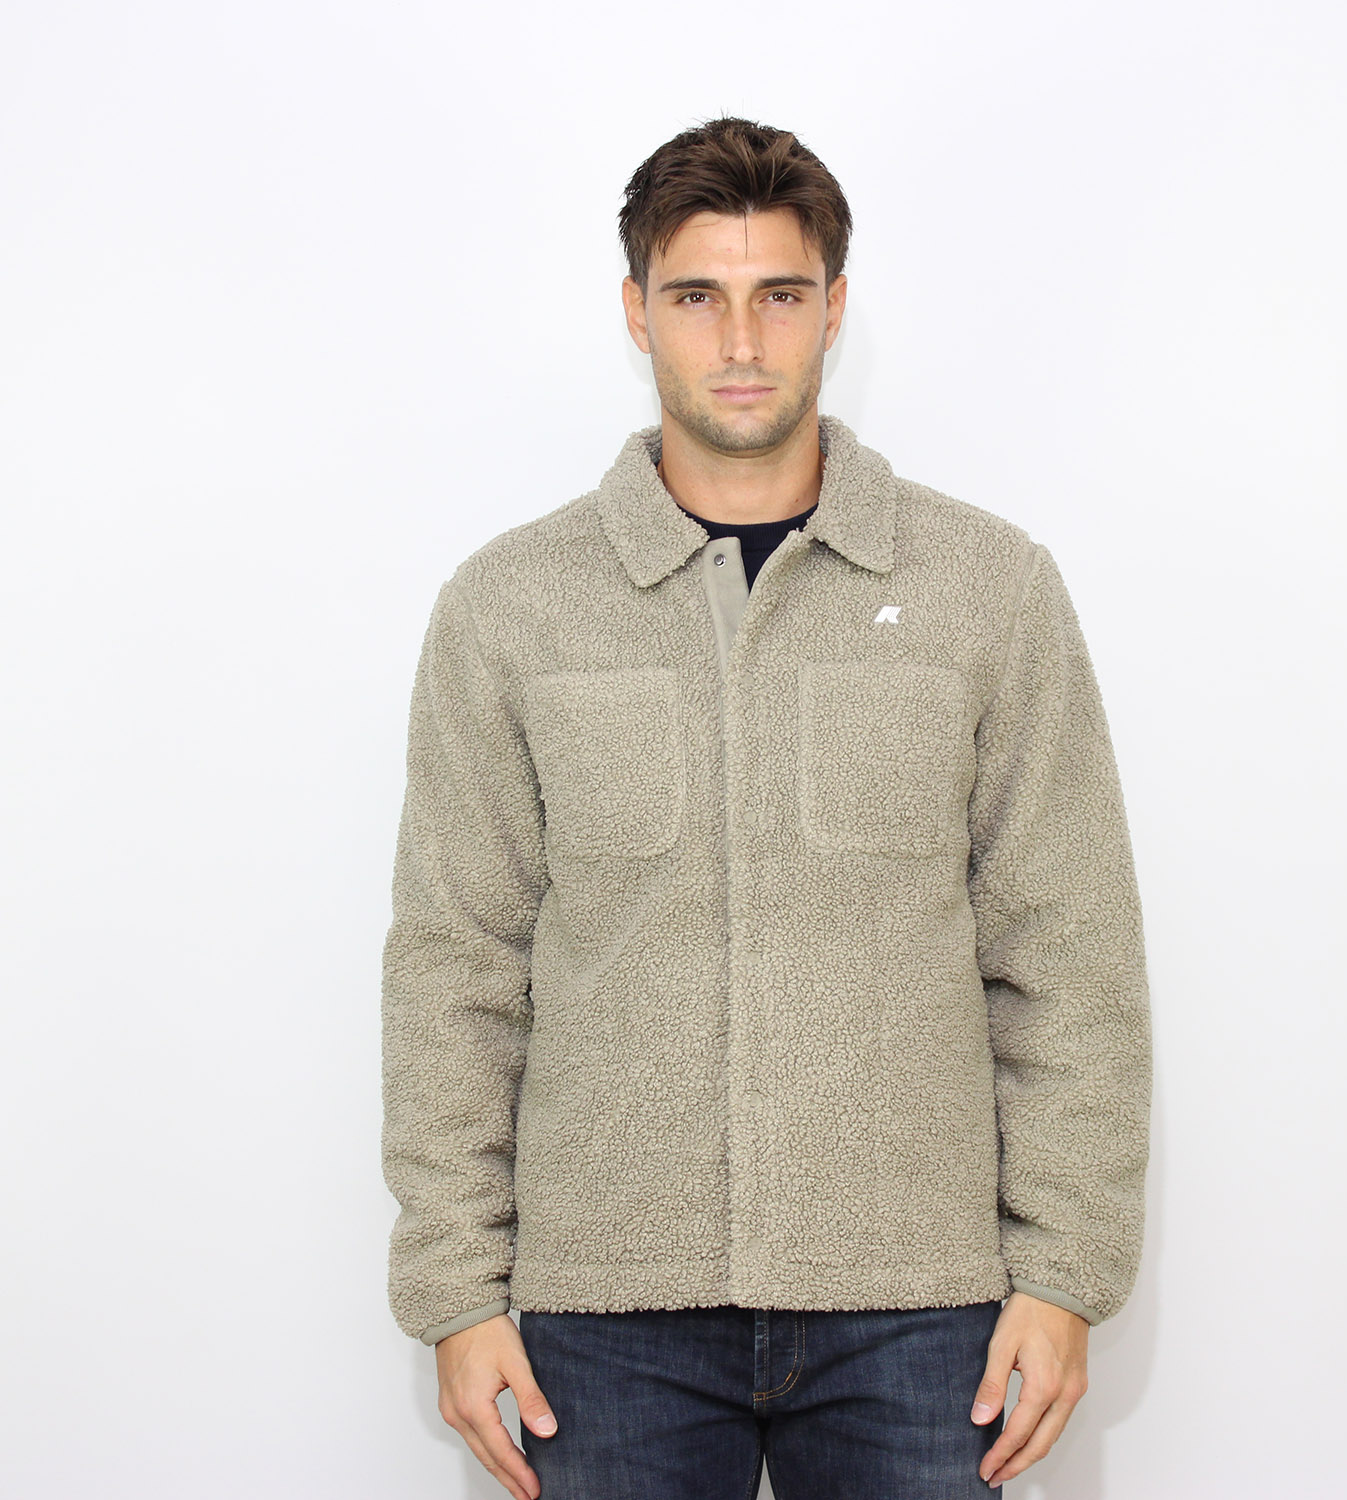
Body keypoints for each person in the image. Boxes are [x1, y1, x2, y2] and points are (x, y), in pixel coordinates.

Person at [380, 115, 1153, 1500]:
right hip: (601, 1318)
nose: (740, 340)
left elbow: (1069, 952)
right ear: (637, 313)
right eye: (697, 297)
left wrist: (1064, 1270)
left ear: (834, 309)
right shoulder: (509, 608)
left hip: (922, 1310)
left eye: (779, 295)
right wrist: (454, 1288)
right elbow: (456, 967)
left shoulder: (989, 590)